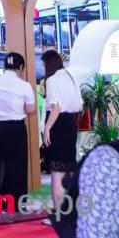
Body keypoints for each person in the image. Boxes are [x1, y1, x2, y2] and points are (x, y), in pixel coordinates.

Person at [0, 52, 35, 204]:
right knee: (16, 164)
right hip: (15, 128)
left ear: (5, 66)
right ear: (20, 68)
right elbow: (31, 109)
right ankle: (16, 202)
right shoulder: (24, 85)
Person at [42, 49, 84, 213]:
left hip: (57, 125)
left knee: (57, 170)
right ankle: (69, 211)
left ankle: (58, 212)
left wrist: (47, 128)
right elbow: (80, 105)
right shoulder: (70, 77)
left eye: (43, 64)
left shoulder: (52, 80)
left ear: (48, 64)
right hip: (70, 124)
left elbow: (56, 108)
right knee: (68, 168)